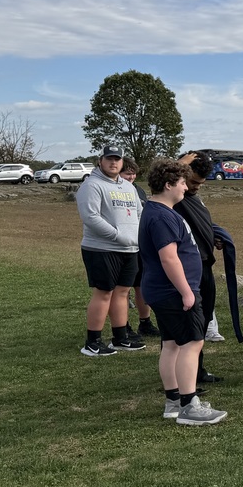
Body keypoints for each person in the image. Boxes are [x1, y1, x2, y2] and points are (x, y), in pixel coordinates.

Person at [139, 159, 227, 425]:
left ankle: (174, 401)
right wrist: (187, 292)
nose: (185, 189)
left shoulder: (158, 210)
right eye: (180, 184)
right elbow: (169, 258)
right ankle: (190, 406)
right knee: (192, 343)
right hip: (173, 292)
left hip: (161, 291)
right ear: (168, 185)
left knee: (171, 344)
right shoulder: (162, 216)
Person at [77, 144, 145, 356]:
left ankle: (120, 337)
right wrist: (117, 235)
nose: (113, 162)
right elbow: (91, 217)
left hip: (130, 248)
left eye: (117, 159)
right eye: (109, 158)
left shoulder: (128, 187)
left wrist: (137, 237)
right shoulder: (92, 185)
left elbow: (139, 213)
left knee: (122, 293)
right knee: (104, 293)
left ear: (122, 162)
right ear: (101, 161)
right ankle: (93, 341)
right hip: (101, 248)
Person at [174, 151, 226, 382]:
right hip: (187, 269)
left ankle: (197, 370)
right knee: (190, 323)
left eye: (200, 184)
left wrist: (213, 236)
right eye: (192, 182)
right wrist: (178, 166)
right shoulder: (173, 197)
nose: (195, 187)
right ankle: (185, 376)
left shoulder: (194, 197)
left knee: (203, 320)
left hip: (204, 264)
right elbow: (158, 182)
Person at [120, 157, 159, 339]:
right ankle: (123, 326)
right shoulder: (116, 191)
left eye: (133, 173)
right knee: (123, 289)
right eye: (127, 173)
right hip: (122, 246)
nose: (131, 177)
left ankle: (145, 323)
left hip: (140, 245)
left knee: (141, 286)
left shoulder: (138, 190)